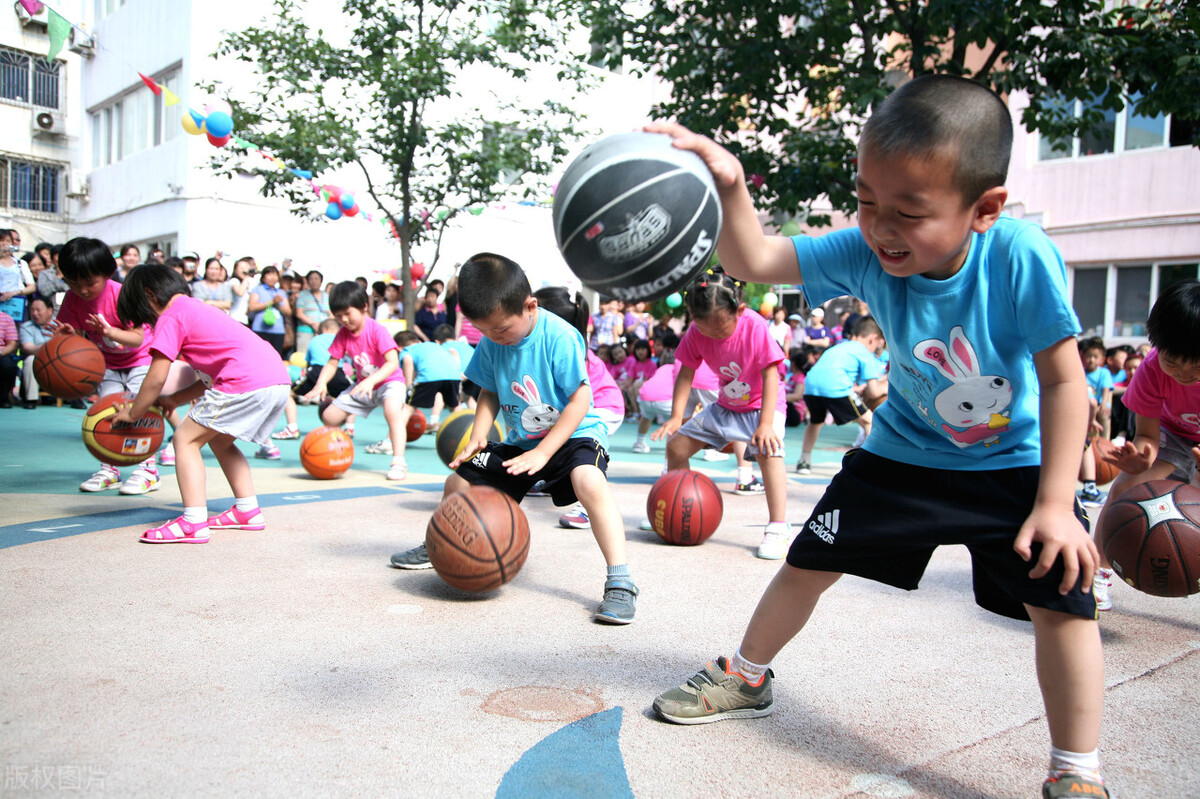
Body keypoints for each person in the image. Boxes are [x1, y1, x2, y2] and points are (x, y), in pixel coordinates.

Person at [646, 75, 1107, 799]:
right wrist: (731, 185)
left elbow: (1063, 380)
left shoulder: (1019, 255)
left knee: (1064, 606)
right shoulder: (868, 248)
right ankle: (747, 674)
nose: (881, 227)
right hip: (899, 454)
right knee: (807, 562)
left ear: (984, 209)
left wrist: (1056, 503)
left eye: (908, 212)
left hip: (1013, 465)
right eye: (865, 199)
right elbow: (752, 261)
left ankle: (1076, 771)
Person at [389, 254, 637, 625]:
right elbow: (488, 390)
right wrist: (478, 435)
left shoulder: (560, 336)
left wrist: (544, 452)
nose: (495, 338)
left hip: (572, 435)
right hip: (523, 443)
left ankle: (621, 581)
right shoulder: (493, 339)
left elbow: (580, 399)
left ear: (530, 306)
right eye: (486, 332)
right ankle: (439, 543)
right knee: (458, 480)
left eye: (501, 330)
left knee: (589, 481)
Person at [112, 264, 290, 543]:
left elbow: (156, 377)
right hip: (276, 378)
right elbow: (210, 378)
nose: (147, 323)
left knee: (185, 440)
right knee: (220, 440)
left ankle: (192, 522)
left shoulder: (171, 315)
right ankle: (247, 510)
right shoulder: (198, 309)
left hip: (245, 380)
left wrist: (134, 412)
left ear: (149, 296)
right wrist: (174, 400)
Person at [648, 269, 789, 555]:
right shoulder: (695, 332)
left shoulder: (754, 326)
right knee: (676, 447)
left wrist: (765, 424)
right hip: (726, 406)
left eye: (720, 327)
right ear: (692, 316)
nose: (713, 334)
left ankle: (778, 526)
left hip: (763, 405)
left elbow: (771, 374)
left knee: (769, 451)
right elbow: (685, 373)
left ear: (740, 310)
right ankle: (675, 503)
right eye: (705, 328)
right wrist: (676, 417)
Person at [1092, 280, 1200, 613]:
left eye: (1197, 366)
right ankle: (1096, 572)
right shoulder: (1151, 368)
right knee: (1125, 486)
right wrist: (1142, 457)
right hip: (1172, 433)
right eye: (1173, 362)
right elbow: (1148, 435)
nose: (1183, 374)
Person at [54, 237, 169, 495]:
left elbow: (138, 338)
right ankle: (110, 468)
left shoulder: (122, 294)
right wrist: (67, 337)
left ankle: (148, 470)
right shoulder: (72, 299)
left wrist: (110, 332)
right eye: (74, 283)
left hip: (141, 359)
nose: (82, 290)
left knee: (140, 410)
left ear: (106, 273)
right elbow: (76, 340)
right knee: (106, 413)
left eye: (89, 283)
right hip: (106, 364)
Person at [528, 286, 626, 531]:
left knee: (585, 453)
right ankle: (546, 479)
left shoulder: (572, 352)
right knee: (554, 434)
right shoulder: (554, 346)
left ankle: (589, 506)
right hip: (590, 405)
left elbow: (579, 403)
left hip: (604, 408)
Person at [301, 281, 408, 481]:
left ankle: (398, 462)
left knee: (392, 411)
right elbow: (332, 363)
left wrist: (371, 381)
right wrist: (321, 383)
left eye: (347, 313)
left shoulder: (377, 330)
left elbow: (392, 362)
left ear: (364, 307)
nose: (343, 319)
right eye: (338, 315)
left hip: (389, 382)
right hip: (363, 386)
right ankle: (336, 454)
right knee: (330, 416)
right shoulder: (343, 333)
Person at [794, 316, 887, 473]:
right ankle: (871, 465)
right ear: (873, 339)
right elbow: (874, 391)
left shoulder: (838, 347)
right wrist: (886, 388)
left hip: (811, 386)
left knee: (815, 421)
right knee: (869, 421)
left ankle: (804, 461)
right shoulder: (865, 354)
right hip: (836, 387)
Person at [265, 318, 352, 455]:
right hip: (337, 371)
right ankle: (349, 428)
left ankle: (292, 428)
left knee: (288, 395)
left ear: (323, 330)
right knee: (350, 396)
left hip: (316, 370)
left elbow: (308, 363)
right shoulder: (340, 339)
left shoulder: (315, 339)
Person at [369, 330, 460, 460]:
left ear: (398, 348)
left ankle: (389, 442)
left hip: (429, 377)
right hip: (454, 375)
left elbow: (407, 363)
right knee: (455, 407)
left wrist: (407, 387)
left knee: (408, 408)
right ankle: (467, 437)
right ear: (418, 341)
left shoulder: (406, 351)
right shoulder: (431, 345)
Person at [1078, 336, 1113, 506]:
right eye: (1088, 356)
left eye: (1095, 356)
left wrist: (1104, 404)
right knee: (1086, 444)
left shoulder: (1103, 373)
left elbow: (1106, 391)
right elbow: (1090, 402)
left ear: (1102, 359)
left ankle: (1105, 444)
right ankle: (1090, 489)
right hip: (1086, 409)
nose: (1091, 360)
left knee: (1104, 416)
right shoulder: (1080, 372)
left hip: (1097, 406)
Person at [17, 296, 56, 407]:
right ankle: (31, 399)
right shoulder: (26, 327)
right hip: (38, 360)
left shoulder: (60, 325)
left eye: (38, 310)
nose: (34, 313)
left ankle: (74, 398)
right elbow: (28, 348)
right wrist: (52, 346)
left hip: (58, 361)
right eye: (32, 310)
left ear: (50, 310)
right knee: (30, 359)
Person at [248, 265, 291, 356]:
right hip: (260, 329)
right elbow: (252, 307)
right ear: (263, 277)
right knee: (258, 355)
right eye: (269, 274)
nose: (272, 277)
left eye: (275, 275)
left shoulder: (281, 292)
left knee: (275, 356)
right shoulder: (257, 289)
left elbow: (288, 312)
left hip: (278, 330)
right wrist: (272, 302)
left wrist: (278, 304)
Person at [294, 270, 331, 356]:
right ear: (307, 281)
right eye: (311, 279)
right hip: (306, 330)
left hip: (324, 331)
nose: (314, 281)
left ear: (321, 281)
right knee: (303, 356)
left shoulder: (327, 296)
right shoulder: (302, 295)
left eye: (316, 279)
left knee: (322, 356)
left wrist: (324, 326)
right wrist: (313, 324)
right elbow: (299, 313)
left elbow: (331, 314)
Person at [0, 229, 34, 323]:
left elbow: (32, 287)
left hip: (16, 306)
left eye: (8, 241)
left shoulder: (20, 263)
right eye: (1, 240)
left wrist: (14, 293)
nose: (4, 244)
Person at [227, 258, 255, 325]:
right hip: (233, 318)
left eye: (246, 268)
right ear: (235, 270)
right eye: (241, 268)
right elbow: (240, 293)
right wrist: (247, 276)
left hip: (244, 320)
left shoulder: (247, 283)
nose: (244, 270)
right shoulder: (234, 281)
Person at [0, 310, 17, 407]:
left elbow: (12, 344)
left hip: (1, 353)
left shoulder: (7, 318)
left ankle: (3, 398)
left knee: (7, 365)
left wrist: (1, 353)